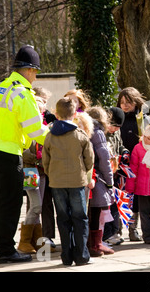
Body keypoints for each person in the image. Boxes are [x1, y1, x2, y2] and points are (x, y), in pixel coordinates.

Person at [0, 45, 49, 264]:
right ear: (29, 70)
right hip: (8, 150)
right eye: (35, 72)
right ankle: (6, 250)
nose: (35, 78)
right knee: (10, 201)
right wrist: (57, 140)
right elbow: (36, 130)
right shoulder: (23, 94)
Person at [42, 97, 94, 266]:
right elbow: (89, 159)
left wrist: (52, 174)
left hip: (57, 182)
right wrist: (85, 173)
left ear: (56, 114)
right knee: (80, 218)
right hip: (76, 181)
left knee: (63, 218)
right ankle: (81, 255)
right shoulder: (80, 135)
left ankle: (66, 255)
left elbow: (45, 161)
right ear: (74, 114)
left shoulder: (50, 136)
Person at [117, 87, 150, 241]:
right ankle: (117, 229)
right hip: (121, 163)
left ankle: (133, 229)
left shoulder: (143, 119)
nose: (125, 105)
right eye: (122, 102)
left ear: (136, 102)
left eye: (128, 102)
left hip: (139, 163)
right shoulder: (116, 118)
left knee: (136, 198)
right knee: (121, 195)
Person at [17, 96, 51, 254]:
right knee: (36, 205)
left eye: (42, 110)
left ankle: (35, 241)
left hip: (42, 172)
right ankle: (24, 242)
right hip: (30, 170)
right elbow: (23, 152)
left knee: (38, 207)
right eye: (39, 110)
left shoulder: (44, 128)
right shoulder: (26, 128)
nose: (41, 113)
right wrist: (38, 158)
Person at [86, 106, 116, 256]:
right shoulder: (98, 132)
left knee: (87, 212)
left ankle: (88, 244)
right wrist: (110, 181)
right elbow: (104, 158)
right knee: (96, 212)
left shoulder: (81, 129)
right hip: (97, 177)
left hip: (82, 176)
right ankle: (96, 245)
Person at [32, 87, 57, 250]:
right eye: (41, 100)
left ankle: (47, 236)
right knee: (34, 204)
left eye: (46, 101)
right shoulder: (30, 119)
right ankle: (33, 237)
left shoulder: (49, 118)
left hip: (47, 168)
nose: (44, 105)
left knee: (48, 203)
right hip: (32, 168)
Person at [104, 107, 130, 245]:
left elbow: (119, 145)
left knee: (115, 204)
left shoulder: (117, 132)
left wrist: (124, 151)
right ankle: (107, 234)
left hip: (115, 172)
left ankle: (114, 232)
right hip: (103, 173)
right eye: (113, 126)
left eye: (117, 127)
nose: (114, 130)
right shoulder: (101, 132)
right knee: (106, 205)